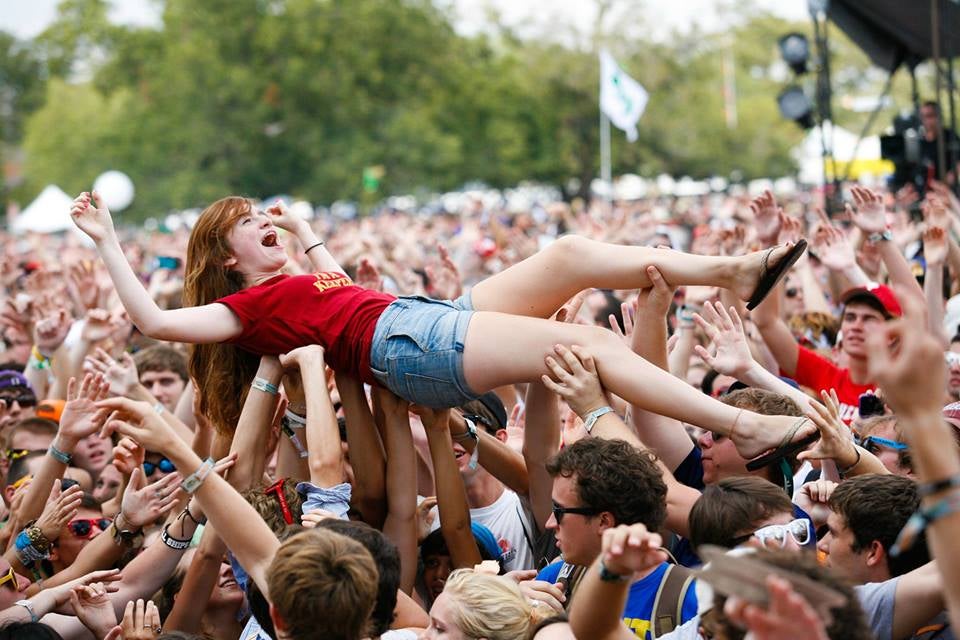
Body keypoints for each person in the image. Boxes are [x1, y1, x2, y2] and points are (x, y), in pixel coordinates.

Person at [69, 191, 815, 469]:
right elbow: (153, 319)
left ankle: (734, 272)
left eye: (262, 215)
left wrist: (303, 232)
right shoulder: (245, 311)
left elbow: (349, 290)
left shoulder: (300, 280)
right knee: (592, 344)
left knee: (572, 254)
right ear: (225, 262)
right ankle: (741, 425)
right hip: (407, 348)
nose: (265, 224)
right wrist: (105, 242)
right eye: (247, 227)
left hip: (421, 315)